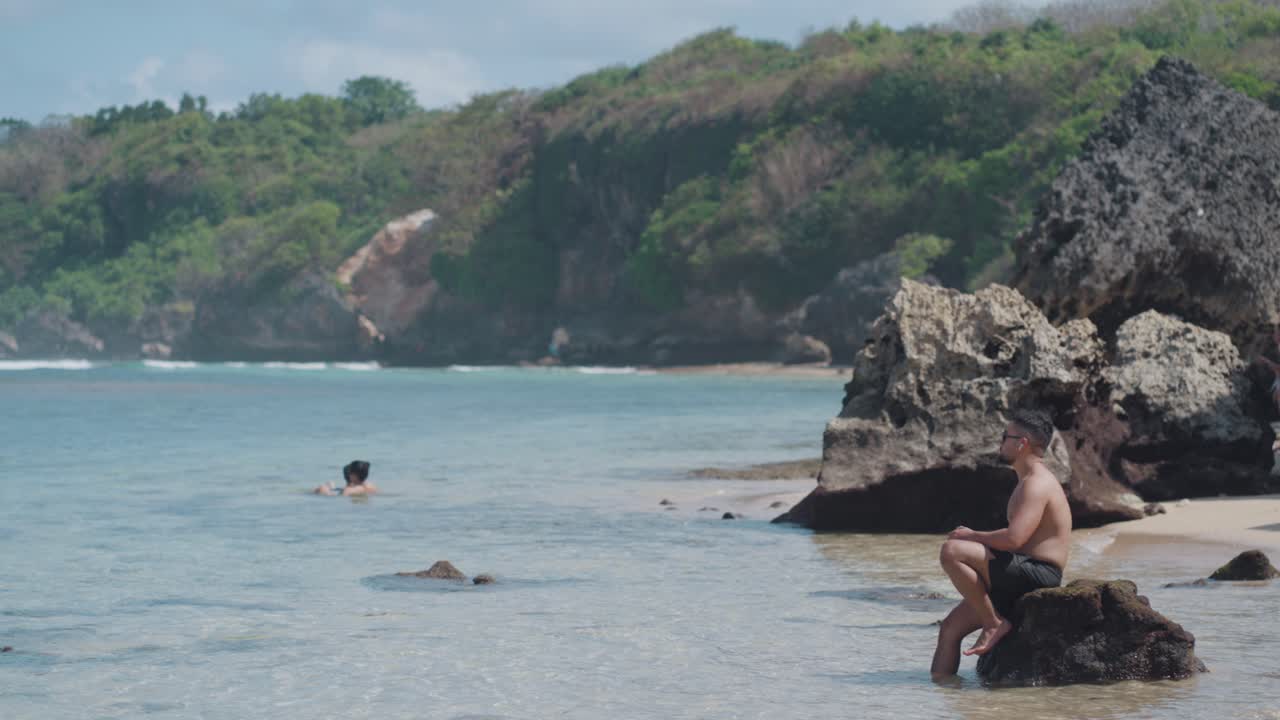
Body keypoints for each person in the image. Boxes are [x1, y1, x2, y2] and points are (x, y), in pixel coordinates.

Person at [930, 409, 1072, 678]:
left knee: (953, 550)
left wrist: (972, 535)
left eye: (1005, 436)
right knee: (950, 629)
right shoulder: (1025, 481)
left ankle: (993, 622)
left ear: (1022, 444)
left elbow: (1014, 539)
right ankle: (943, 700)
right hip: (1017, 573)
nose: (1000, 441)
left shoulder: (1037, 484)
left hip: (1038, 574)